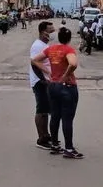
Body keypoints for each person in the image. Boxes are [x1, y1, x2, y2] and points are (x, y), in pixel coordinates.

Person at [32, 27, 83, 159]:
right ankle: (69, 148)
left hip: (53, 86)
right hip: (67, 86)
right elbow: (73, 64)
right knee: (67, 118)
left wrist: (49, 72)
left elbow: (35, 60)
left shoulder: (51, 49)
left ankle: (54, 144)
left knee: (55, 116)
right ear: (69, 38)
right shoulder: (68, 49)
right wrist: (66, 75)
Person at [30, 21, 55, 149]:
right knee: (41, 110)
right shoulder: (38, 46)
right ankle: (41, 139)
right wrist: (43, 81)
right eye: (50, 31)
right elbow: (34, 64)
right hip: (40, 82)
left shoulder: (44, 45)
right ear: (42, 32)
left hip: (46, 81)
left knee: (46, 110)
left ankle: (46, 135)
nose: (51, 33)